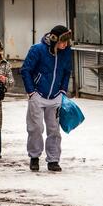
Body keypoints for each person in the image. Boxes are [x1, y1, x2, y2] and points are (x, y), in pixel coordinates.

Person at [20, 25, 73, 172]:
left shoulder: (66, 51)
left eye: (67, 42)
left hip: (55, 96)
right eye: (63, 42)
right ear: (54, 39)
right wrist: (31, 92)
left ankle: (53, 160)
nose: (65, 45)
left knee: (54, 130)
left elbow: (67, 71)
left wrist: (62, 90)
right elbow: (25, 70)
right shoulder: (37, 49)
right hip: (38, 95)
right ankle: (34, 157)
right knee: (36, 128)